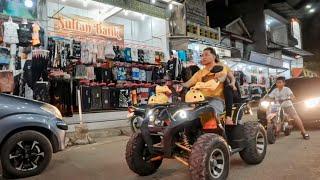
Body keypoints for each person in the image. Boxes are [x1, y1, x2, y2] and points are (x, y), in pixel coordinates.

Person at [176, 47, 235, 124]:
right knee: (184, 117)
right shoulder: (199, 73)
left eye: (206, 55)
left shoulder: (220, 67)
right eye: (202, 55)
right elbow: (188, 83)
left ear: (214, 56)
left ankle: (227, 120)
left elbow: (222, 77)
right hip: (199, 100)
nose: (203, 57)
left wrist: (217, 80)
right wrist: (179, 85)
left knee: (210, 119)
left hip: (216, 100)